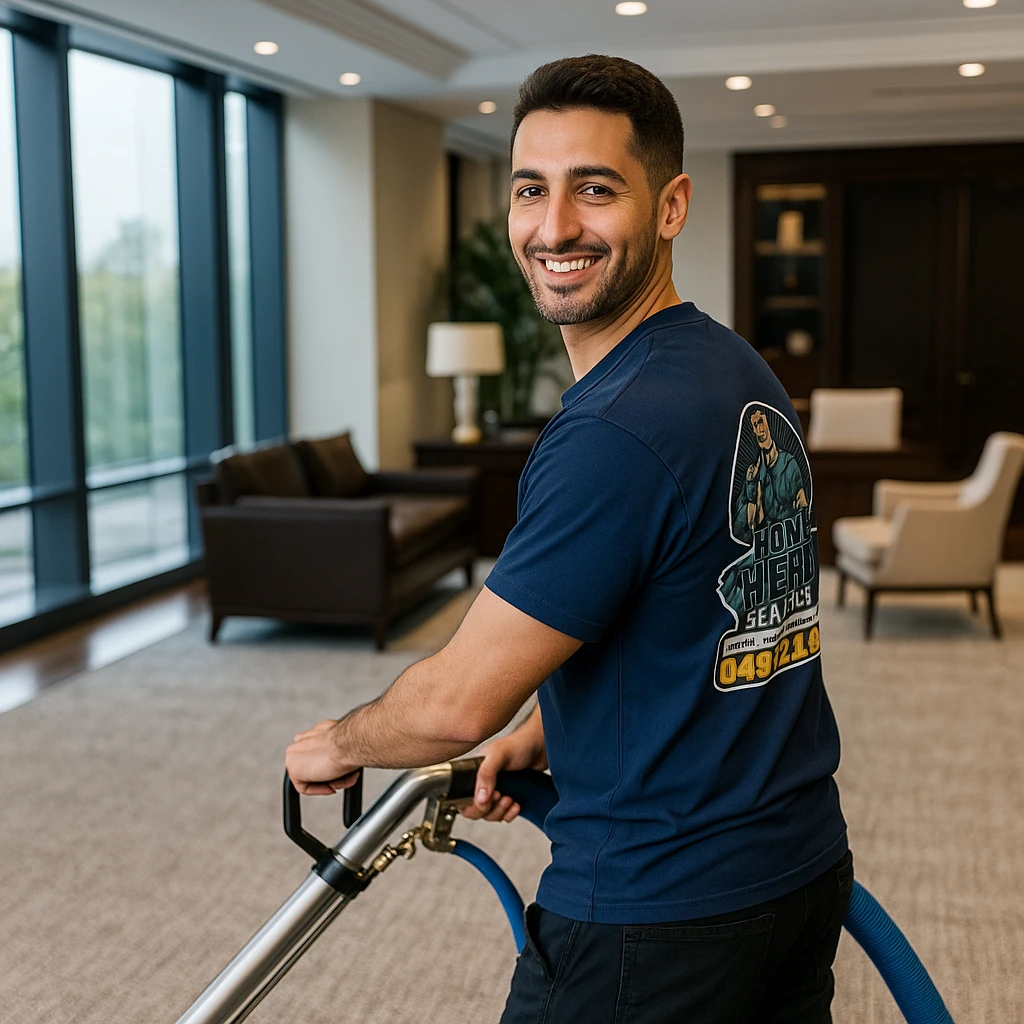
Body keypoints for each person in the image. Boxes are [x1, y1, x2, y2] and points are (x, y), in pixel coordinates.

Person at [286, 54, 851, 1024]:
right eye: (529, 191)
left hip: (656, 912)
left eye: (595, 190)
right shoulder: (731, 367)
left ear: (670, 206)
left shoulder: (615, 430)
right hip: (794, 867)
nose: (553, 228)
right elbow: (709, 608)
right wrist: (552, 726)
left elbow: (456, 702)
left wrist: (335, 742)